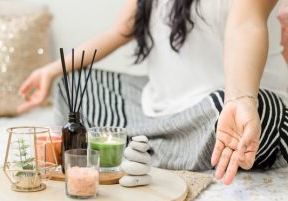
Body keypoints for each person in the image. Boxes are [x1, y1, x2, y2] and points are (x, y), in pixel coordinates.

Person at [17, 0, 288, 185]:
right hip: (159, 109)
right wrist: (51, 71)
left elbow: (245, 25)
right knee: (73, 84)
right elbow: (120, 31)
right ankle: (158, 148)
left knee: (257, 114)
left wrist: (240, 98)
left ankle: (138, 148)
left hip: (227, 107)